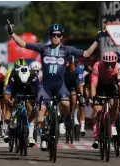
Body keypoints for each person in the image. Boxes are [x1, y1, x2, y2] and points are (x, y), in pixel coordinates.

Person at [6, 19, 105, 150]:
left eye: (58, 35)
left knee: (66, 104)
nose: (56, 37)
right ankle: (42, 138)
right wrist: (12, 33)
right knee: (40, 110)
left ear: (61, 37)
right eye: (53, 35)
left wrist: (97, 40)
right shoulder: (43, 48)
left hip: (60, 85)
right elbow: (23, 44)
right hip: (45, 86)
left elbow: (86, 53)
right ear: (50, 36)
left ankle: (62, 120)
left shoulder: (67, 50)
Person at [90, 51, 120, 148]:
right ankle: (96, 137)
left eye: (112, 64)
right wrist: (93, 98)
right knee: (97, 110)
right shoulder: (97, 66)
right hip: (100, 86)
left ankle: (112, 123)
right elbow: (93, 84)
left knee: (116, 103)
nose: (109, 66)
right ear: (103, 62)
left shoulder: (118, 67)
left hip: (112, 86)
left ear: (115, 63)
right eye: (107, 64)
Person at [5, 64, 40, 146]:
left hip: (29, 91)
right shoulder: (14, 75)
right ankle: (7, 129)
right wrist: (9, 99)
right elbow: (8, 90)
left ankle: (30, 136)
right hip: (16, 90)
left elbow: (38, 91)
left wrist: (37, 100)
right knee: (11, 105)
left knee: (32, 110)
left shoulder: (33, 76)